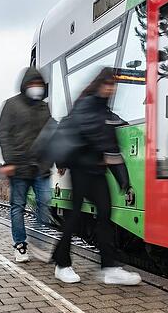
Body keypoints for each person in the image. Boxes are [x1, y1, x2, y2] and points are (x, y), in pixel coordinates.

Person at [51, 68, 142, 286]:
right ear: (99, 84)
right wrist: (64, 162)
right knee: (74, 217)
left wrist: (124, 182)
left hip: (96, 172)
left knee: (104, 215)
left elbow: (112, 144)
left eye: (113, 85)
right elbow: (98, 140)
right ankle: (62, 263)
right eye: (107, 84)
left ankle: (109, 268)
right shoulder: (87, 106)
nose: (111, 89)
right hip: (82, 170)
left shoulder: (104, 111)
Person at [0, 67, 53, 262]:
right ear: (24, 86)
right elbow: (3, 135)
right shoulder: (11, 105)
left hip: (41, 167)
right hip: (19, 167)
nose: (35, 88)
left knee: (45, 202)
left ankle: (38, 242)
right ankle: (20, 245)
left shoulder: (44, 108)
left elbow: (51, 136)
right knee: (18, 207)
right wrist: (9, 161)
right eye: (32, 84)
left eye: (38, 84)